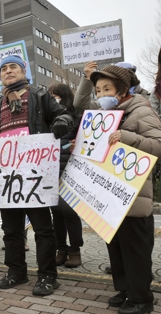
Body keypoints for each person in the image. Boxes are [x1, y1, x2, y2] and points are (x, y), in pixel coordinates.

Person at [0, 55, 73, 296]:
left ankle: (47, 276)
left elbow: (64, 115)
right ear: (0, 76)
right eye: (4, 69)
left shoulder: (40, 96)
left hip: (35, 175)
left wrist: (61, 122)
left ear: (23, 72)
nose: (8, 72)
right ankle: (16, 271)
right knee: (11, 229)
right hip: (7, 177)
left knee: (42, 228)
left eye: (13, 67)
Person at [77, 65, 161, 313]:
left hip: (135, 198)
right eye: (98, 90)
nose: (101, 94)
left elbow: (158, 146)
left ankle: (141, 299)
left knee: (135, 250)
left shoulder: (140, 111)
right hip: (109, 196)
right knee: (117, 248)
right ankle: (125, 291)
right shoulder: (104, 116)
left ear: (123, 90)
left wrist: (128, 137)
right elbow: (80, 106)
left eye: (107, 89)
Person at [47, 84, 83, 268]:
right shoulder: (47, 119)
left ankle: (75, 250)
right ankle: (60, 249)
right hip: (51, 171)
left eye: (56, 95)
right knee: (56, 214)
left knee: (70, 212)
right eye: (51, 95)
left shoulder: (76, 118)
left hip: (71, 171)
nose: (53, 98)